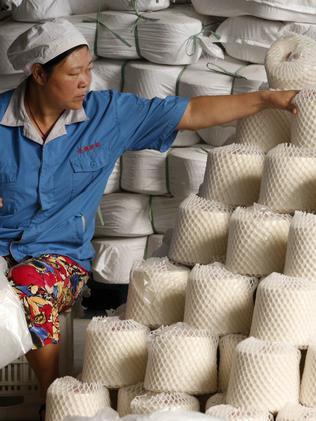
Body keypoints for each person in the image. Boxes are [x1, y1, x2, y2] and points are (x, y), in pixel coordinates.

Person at [0, 18, 297, 421]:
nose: (86, 80)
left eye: (88, 69)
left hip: (58, 260)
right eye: (74, 73)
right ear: (38, 73)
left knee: (30, 285)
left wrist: (266, 101)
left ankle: (53, 398)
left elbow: (190, 110)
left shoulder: (106, 115)